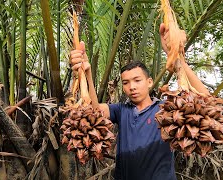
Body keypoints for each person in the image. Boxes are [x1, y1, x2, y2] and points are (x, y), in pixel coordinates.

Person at [69, 23, 210, 180]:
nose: (132, 87)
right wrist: (86, 73)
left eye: (137, 80)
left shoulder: (165, 110)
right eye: (126, 83)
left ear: (149, 82)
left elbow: (205, 99)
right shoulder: (121, 110)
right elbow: (94, 112)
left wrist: (175, 55)